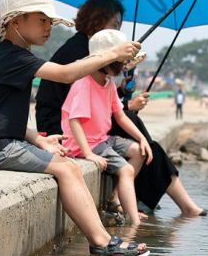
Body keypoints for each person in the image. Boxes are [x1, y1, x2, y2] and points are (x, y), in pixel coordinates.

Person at [0, 0, 148, 256]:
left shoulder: (12, 56)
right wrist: (111, 54)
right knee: (68, 169)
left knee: (70, 166)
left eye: (50, 21)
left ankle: (104, 239)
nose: (49, 27)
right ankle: (101, 242)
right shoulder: (15, 57)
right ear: (16, 21)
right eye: (42, 20)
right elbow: (65, 74)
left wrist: (36, 139)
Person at [35, 0, 208, 218]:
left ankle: (152, 198)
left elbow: (99, 96)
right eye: (114, 23)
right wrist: (127, 105)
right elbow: (76, 102)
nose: (117, 29)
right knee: (136, 129)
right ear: (97, 19)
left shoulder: (90, 52)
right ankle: (171, 203)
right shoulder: (80, 51)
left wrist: (122, 92)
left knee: (142, 141)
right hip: (60, 126)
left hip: (86, 121)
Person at [62, 29, 154, 226]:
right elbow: (74, 121)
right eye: (119, 63)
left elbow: (120, 116)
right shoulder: (83, 83)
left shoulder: (109, 83)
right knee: (127, 171)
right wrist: (88, 153)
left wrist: (142, 138)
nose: (122, 67)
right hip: (84, 143)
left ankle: (115, 199)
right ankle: (134, 223)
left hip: (101, 139)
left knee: (140, 151)